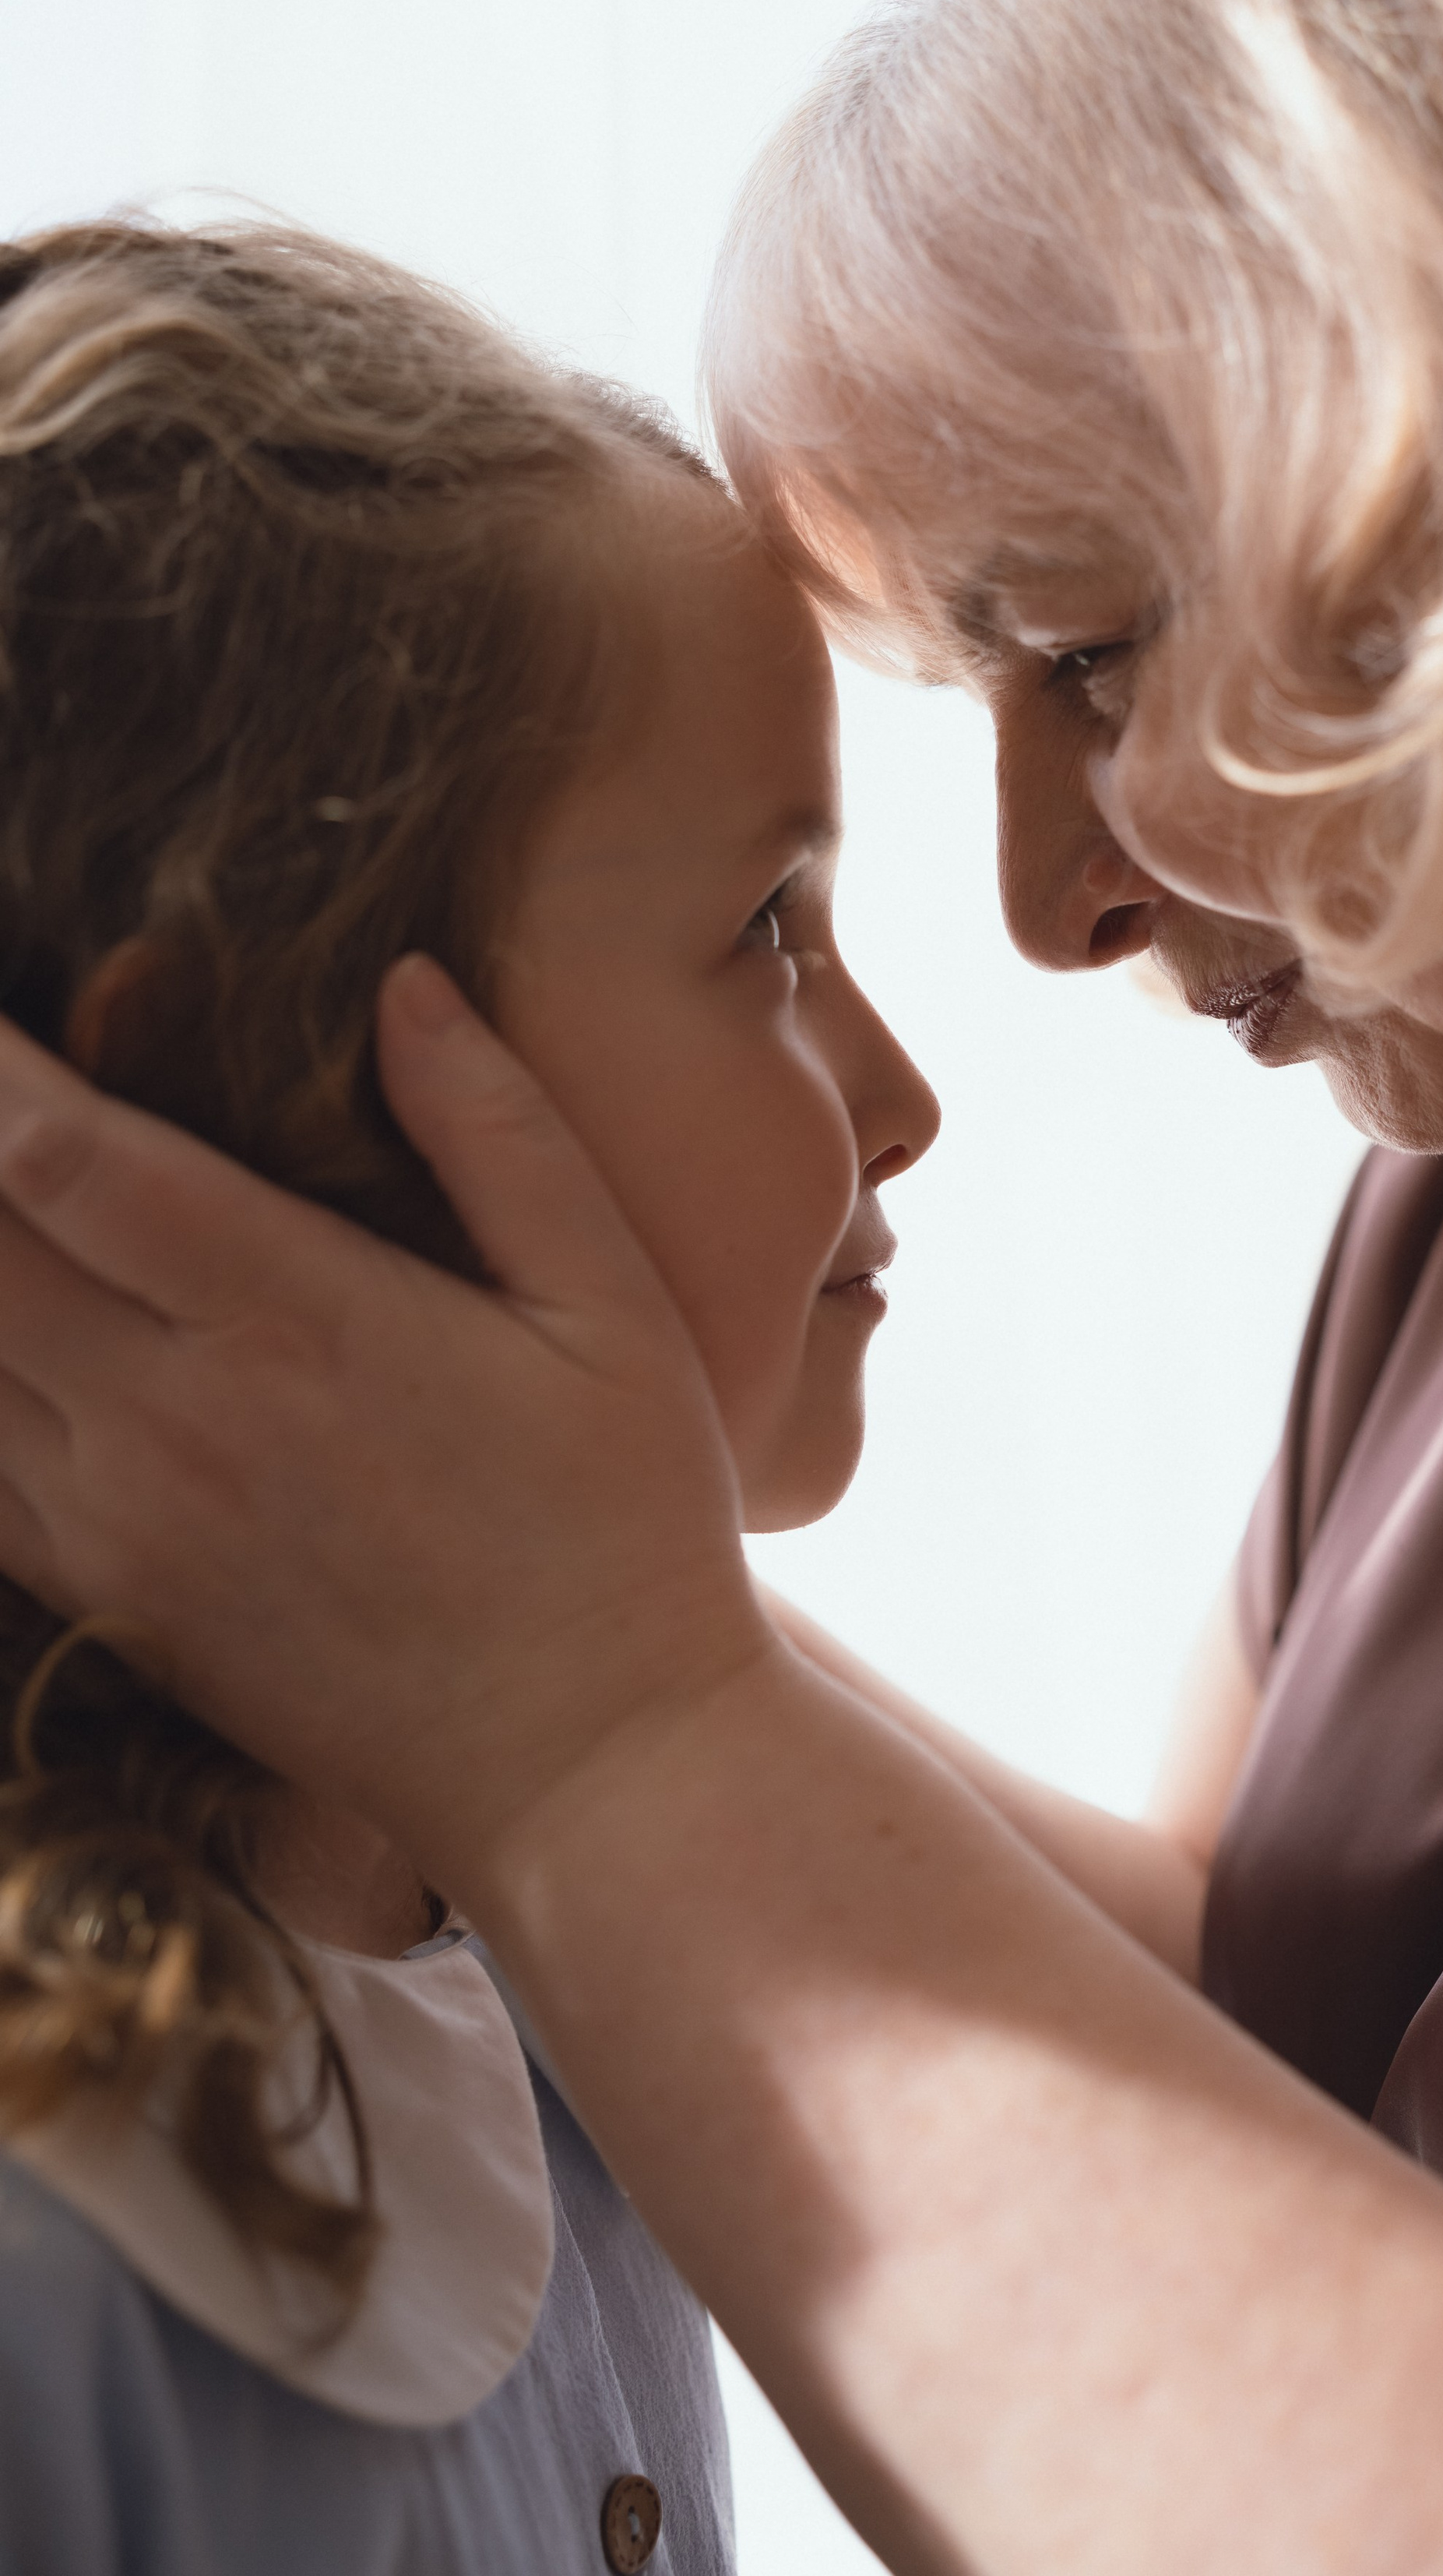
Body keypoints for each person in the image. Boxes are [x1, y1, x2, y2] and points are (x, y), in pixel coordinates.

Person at [0, 0, 1443, 2576]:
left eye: (1085, 652)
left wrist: (602, 1731)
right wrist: (448, 1528)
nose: (1043, 913)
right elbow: (1274, 2029)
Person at [0, 217, 934, 2574]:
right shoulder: (47, 2283)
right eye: (771, 936)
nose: (900, 1096)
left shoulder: (560, 1976)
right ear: (239, 1089)